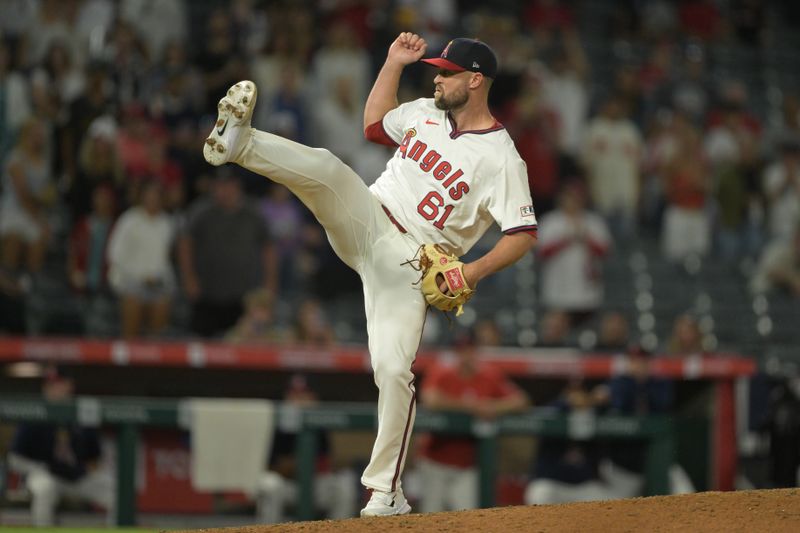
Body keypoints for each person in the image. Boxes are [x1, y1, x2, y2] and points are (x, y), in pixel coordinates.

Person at [201, 32, 537, 517]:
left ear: (476, 80)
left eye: (446, 71)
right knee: (329, 168)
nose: (437, 78)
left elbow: (522, 233)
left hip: (413, 264)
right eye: (436, 70)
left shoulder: (502, 157)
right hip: (370, 216)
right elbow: (374, 124)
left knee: (395, 370)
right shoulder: (425, 110)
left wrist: (473, 271)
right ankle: (241, 143)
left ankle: (385, 493)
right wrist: (392, 63)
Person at [417, 329, 528, 512]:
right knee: (430, 518)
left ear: (476, 350)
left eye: (469, 349)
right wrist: (472, 406)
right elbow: (430, 400)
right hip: (435, 461)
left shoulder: (489, 375)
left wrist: (493, 407)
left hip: (467, 465)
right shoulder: (441, 371)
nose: (465, 355)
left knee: (468, 519)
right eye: (460, 350)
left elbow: (521, 401)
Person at [7, 367, 114, 526]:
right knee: (45, 490)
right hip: (46, 474)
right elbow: (14, 457)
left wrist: (86, 470)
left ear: (70, 386)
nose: (54, 389)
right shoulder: (34, 415)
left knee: (116, 492)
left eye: (58, 384)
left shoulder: (81, 413)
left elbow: (95, 456)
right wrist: (37, 468)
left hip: (77, 476)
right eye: (50, 385)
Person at [255, 373, 357, 523]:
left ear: (314, 398)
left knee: (344, 485)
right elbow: (270, 466)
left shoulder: (320, 425)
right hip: (287, 486)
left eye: (304, 394)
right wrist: (293, 466)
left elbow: (327, 462)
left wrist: (308, 465)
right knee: (270, 484)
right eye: (294, 394)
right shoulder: (277, 425)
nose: (298, 401)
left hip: (314, 485)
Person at [107, 180, 175, 339]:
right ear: (142, 197)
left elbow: (165, 260)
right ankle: (128, 347)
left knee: (163, 301)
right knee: (133, 300)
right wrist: (140, 277)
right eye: (149, 195)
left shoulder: (167, 223)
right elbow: (115, 255)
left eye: (156, 196)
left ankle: (155, 352)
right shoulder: (129, 220)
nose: (153, 200)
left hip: (156, 281)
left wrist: (160, 279)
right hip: (130, 280)